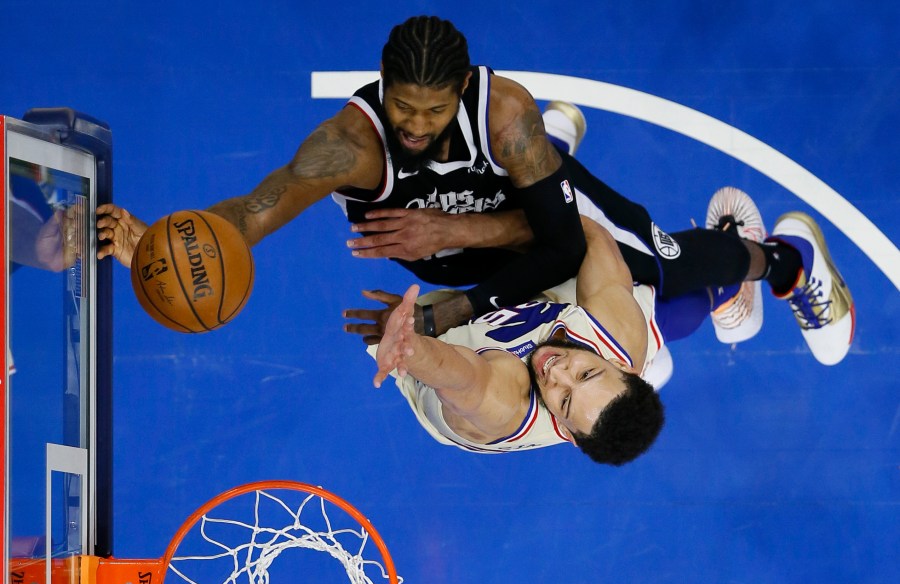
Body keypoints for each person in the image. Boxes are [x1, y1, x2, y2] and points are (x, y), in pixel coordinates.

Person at [96, 15, 854, 365]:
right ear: (382, 85)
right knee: (580, 336)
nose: (416, 127)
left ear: (461, 86)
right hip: (471, 253)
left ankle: (782, 259)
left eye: (434, 109)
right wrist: (172, 243)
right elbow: (252, 213)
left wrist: (445, 234)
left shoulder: (504, 112)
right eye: (402, 107)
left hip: (537, 221)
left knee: (658, 271)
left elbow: (559, 242)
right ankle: (546, 167)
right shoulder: (348, 147)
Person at [369, 205, 852, 466]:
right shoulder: (621, 341)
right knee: (652, 268)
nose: (557, 373)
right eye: (586, 372)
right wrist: (538, 197)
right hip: (551, 309)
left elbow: (461, 376)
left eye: (563, 400)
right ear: (623, 368)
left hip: (453, 345)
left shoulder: (505, 404)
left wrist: (409, 344)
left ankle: (755, 276)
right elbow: (591, 231)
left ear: (569, 434)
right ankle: (777, 263)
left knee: (534, 216)